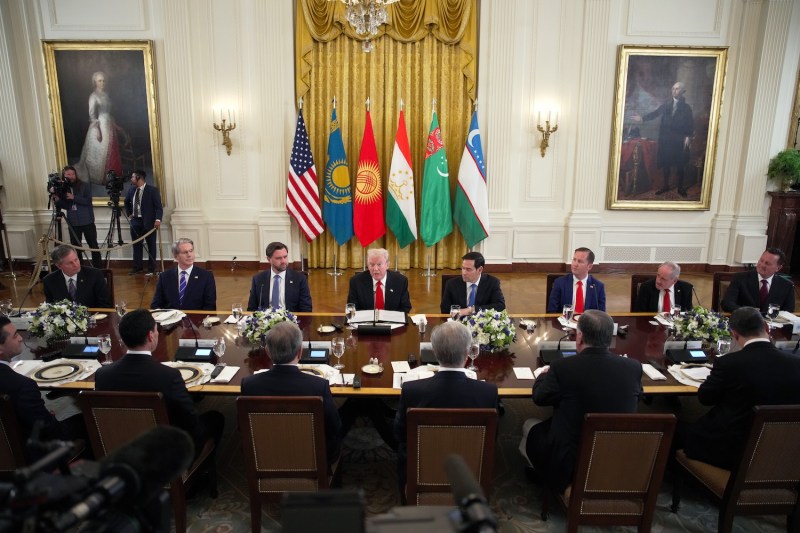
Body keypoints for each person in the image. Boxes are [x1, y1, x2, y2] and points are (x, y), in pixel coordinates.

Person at [520, 310, 642, 492]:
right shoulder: (633, 367)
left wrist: (542, 375)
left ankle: (545, 475)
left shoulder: (562, 367)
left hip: (571, 460)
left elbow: (539, 398)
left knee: (528, 427)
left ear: (579, 337)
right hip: (616, 454)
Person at [94, 309, 224, 458]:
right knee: (216, 418)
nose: (157, 334)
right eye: (156, 331)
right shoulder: (169, 376)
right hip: (163, 454)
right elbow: (191, 423)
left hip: (120, 449)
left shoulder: (103, 375)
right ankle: (202, 475)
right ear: (150, 336)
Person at [682, 307, 800, 469]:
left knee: (679, 429)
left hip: (731, 450)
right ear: (766, 327)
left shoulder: (729, 363)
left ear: (734, 334)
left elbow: (705, 398)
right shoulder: (796, 363)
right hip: (779, 450)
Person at [394, 321, 499, 492]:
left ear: (434, 352)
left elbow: (399, 434)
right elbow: (492, 438)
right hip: (470, 475)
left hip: (422, 472)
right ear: (467, 354)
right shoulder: (488, 392)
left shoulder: (412, 391)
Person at [240, 321, 341, 464]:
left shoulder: (249, 385)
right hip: (312, 459)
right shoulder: (319, 386)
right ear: (300, 351)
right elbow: (334, 427)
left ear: (267, 352)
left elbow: (243, 429)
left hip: (266, 458)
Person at [0, 317, 85, 445]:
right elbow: (49, 431)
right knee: (87, 421)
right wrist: (50, 417)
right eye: (15, 336)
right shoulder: (23, 386)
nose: (21, 338)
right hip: (35, 454)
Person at [630, 81, 694, 197]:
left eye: (677, 89)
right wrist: (642, 118)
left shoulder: (686, 108)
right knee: (666, 163)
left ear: (683, 92)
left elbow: (690, 124)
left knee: (680, 165)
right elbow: (655, 113)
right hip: (666, 140)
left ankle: (680, 188)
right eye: (673, 88)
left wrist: (688, 137)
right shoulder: (667, 105)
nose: (674, 90)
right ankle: (665, 185)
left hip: (679, 140)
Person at [74, 71, 123, 187]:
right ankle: (101, 177)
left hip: (109, 124)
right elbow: (92, 115)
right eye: (99, 81)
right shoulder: (93, 96)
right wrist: (97, 131)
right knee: (100, 152)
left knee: (112, 150)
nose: (102, 83)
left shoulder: (106, 95)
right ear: (95, 82)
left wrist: (115, 125)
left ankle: (113, 176)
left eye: (103, 80)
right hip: (99, 125)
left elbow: (108, 113)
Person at [51, 166, 102, 268]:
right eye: (68, 174)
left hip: (87, 221)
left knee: (94, 246)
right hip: (73, 222)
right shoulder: (63, 188)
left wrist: (74, 197)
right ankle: (79, 268)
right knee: (76, 248)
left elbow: (88, 201)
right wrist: (57, 199)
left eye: (73, 174)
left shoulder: (84, 185)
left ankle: (98, 268)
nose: (71, 176)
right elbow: (66, 206)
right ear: (64, 176)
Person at [721, 248, 795, 313]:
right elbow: (727, 303)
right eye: (761, 260)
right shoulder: (740, 278)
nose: (762, 265)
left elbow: (788, 311)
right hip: (744, 323)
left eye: (767, 263)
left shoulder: (787, 285)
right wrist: (748, 312)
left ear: (778, 268)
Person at [151, 238, 216, 311]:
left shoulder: (206, 276)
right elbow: (156, 305)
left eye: (191, 251)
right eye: (185, 252)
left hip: (196, 320)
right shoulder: (164, 276)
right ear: (176, 256)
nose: (189, 255)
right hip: (170, 320)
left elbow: (210, 306)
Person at [247, 242, 312, 312]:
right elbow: (252, 308)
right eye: (278, 258)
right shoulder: (258, 279)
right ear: (269, 259)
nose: (283, 261)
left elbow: (306, 309)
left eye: (285, 257)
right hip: (265, 320)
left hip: (291, 321)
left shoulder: (299, 279)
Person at [43, 244, 112, 308]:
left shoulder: (95, 275)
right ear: (58, 266)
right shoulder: (49, 281)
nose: (75, 265)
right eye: (70, 263)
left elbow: (105, 305)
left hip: (93, 318)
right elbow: (51, 307)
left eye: (76, 260)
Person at [347, 248, 411, 313]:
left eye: (379, 264)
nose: (375, 269)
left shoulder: (400, 281)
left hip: (392, 321)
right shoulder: (356, 281)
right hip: (366, 321)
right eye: (372, 265)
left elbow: (405, 308)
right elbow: (352, 308)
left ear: (387, 265)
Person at [440, 251, 505, 315]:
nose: (464, 273)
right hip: (458, 322)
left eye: (468, 269)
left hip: (482, 322)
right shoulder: (451, 284)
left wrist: (471, 310)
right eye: (463, 268)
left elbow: (500, 306)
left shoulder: (492, 282)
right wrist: (458, 312)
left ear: (480, 270)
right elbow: (444, 309)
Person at [124, 169, 163, 274]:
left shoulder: (152, 190)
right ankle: (137, 267)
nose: (131, 179)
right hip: (135, 222)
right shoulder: (131, 190)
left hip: (149, 222)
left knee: (151, 246)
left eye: (132, 177)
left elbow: (159, 207)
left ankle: (152, 269)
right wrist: (129, 214)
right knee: (136, 245)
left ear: (138, 178)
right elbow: (126, 202)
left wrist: (158, 220)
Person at [547, 247, 606, 313]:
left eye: (580, 261)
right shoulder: (560, 283)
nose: (575, 264)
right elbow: (552, 311)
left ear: (589, 266)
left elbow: (601, 315)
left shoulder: (597, 287)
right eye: (574, 260)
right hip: (565, 321)